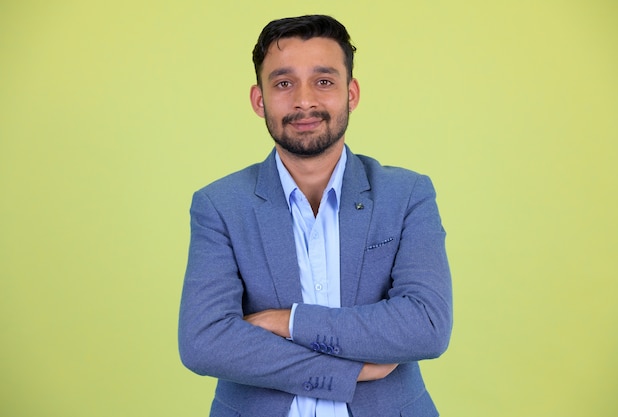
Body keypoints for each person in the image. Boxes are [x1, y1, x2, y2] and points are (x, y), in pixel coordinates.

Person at [178, 14, 453, 417]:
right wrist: (350, 372)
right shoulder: (219, 205)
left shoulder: (407, 195)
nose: (304, 100)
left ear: (351, 93)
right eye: (284, 83)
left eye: (323, 81)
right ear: (259, 99)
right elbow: (204, 341)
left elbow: (426, 325)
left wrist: (289, 322)